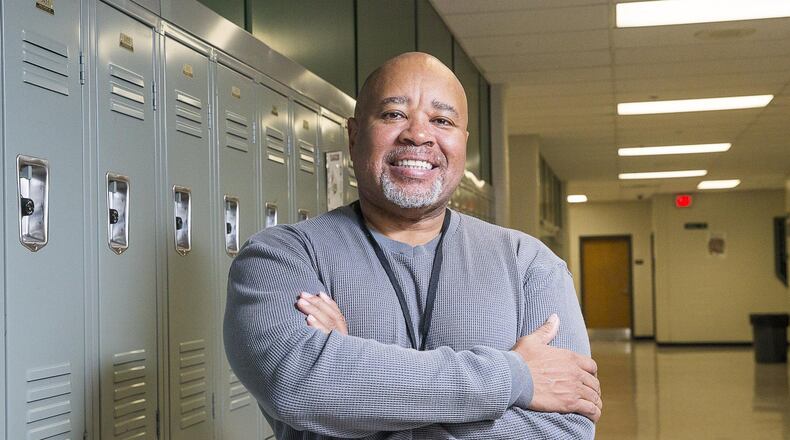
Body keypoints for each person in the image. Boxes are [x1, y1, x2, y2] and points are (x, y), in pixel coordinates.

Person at [224, 52, 601, 439]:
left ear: (462, 142)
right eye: (393, 115)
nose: (418, 135)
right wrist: (514, 376)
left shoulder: (530, 265)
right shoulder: (281, 258)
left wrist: (356, 393)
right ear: (354, 136)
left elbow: (565, 428)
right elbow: (298, 382)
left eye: (442, 120)